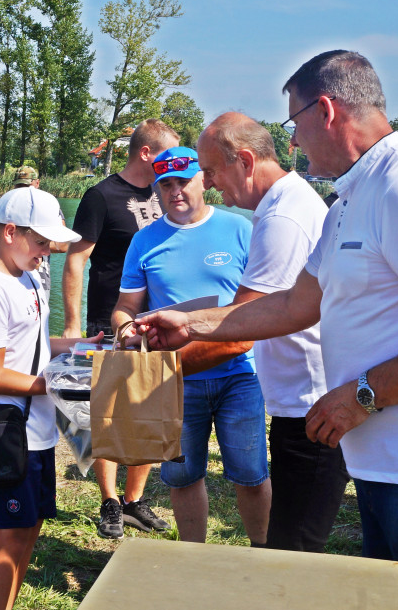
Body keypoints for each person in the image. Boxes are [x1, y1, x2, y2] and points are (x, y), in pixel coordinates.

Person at [136, 50, 398, 610]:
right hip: (393, 464)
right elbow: (297, 303)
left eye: (293, 124)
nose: (292, 142)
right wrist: (191, 322)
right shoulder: (352, 197)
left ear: (326, 110)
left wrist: (363, 396)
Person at [197, 114, 348, 552]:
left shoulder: (283, 218)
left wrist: (158, 364)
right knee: (291, 541)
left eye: (210, 171)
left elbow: (242, 326)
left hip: (311, 409)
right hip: (303, 401)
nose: (206, 184)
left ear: (244, 160)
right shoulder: (285, 206)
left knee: (293, 550)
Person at [112, 146, 270, 545]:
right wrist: (127, 330)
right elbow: (125, 307)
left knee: (250, 475)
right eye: (166, 184)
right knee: (182, 477)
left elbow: (264, 303)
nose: (175, 191)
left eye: (183, 181)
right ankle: (193, 557)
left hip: (239, 373)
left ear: (205, 180)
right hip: (174, 378)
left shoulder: (240, 229)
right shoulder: (145, 240)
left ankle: (263, 553)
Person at [0, 186, 95, 610]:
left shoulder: (29, 279)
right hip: (5, 432)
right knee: (8, 539)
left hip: (36, 432)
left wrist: (83, 348)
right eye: (41, 242)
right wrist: (58, 385)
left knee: (30, 530)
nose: (48, 251)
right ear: (10, 232)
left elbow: (33, 343)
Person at [62, 118, 178, 539]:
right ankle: (109, 501)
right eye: (165, 155)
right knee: (108, 417)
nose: (173, 168)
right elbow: (76, 260)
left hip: (156, 322)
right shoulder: (102, 196)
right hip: (109, 318)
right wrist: (74, 323)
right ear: (146, 153)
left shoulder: (165, 194)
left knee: (148, 411)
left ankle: (134, 501)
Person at [0, 166, 68, 293]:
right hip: (6, 280)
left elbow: (63, 245)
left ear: (37, 183)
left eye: (26, 186)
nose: (21, 191)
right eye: (18, 186)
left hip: (37, 279)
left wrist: (32, 243)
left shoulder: (47, 206)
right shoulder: (4, 205)